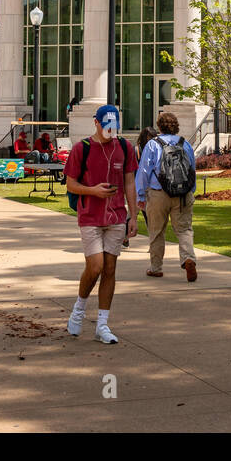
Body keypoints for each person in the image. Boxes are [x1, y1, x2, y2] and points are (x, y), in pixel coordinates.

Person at [63, 104, 137, 344]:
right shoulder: (81, 149)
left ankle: (103, 324)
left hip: (116, 216)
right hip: (90, 217)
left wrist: (133, 216)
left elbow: (129, 183)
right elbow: (71, 184)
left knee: (110, 268)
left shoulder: (124, 147)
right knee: (95, 266)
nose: (110, 132)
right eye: (106, 127)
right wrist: (92, 191)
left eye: (114, 127)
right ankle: (79, 308)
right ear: (96, 122)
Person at [135, 111, 198, 282]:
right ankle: (188, 258)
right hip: (183, 194)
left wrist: (140, 195)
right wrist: (191, 189)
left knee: (156, 232)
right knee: (184, 230)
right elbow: (192, 169)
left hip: (158, 194)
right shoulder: (185, 144)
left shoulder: (152, 145)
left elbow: (144, 172)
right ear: (176, 126)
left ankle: (156, 268)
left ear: (160, 126)